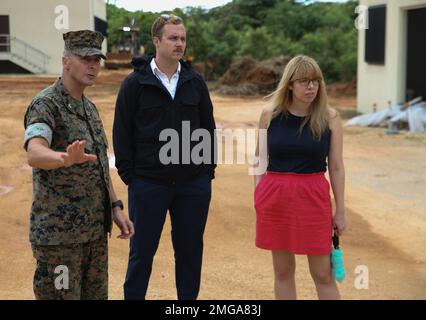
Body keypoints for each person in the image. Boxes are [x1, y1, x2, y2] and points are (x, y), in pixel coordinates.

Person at [23, 30, 134, 300]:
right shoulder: (46, 105)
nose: (93, 66)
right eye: (86, 59)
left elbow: (99, 167)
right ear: (66, 61)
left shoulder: (90, 108)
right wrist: (64, 158)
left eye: (97, 59)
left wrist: (115, 206)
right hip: (59, 238)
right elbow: (35, 152)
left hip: (94, 234)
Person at [113, 14, 216, 300]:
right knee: (141, 254)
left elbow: (208, 129)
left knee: (190, 254)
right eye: (173, 38)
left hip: (192, 185)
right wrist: (131, 177)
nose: (179, 43)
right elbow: (121, 132)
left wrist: (206, 173)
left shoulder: (195, 83)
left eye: (182, 38)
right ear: (156, 41)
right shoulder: (134, 84)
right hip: (148, 184)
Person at [253, 55, 346, 300]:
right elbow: (259, 160)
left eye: (315, 81)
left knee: (323, 274)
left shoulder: (330, 117)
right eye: (304, 81)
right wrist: (258, 196)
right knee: (283, 271)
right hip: (275, 199)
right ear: (290, 85)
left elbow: (336, 167)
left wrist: (341, 210)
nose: (311, 87)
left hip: (313, 197)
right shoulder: (269, 114)